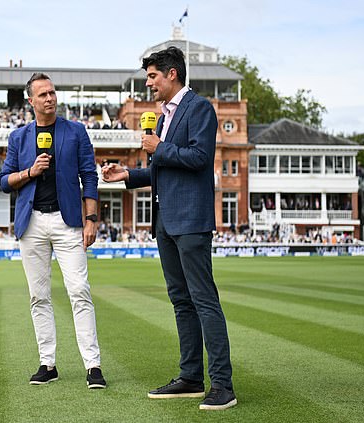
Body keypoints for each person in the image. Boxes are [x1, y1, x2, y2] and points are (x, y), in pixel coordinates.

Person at [102, 47, 236, 410]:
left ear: (172, 74)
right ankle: (191, 377)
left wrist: (159, 148)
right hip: (165, 221)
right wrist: (127, 175)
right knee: (181, 301)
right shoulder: (163, 117)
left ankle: (223, 385)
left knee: (204, 300)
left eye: (152, 77)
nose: (149, 83)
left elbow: (199, 159)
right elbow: (163, 169)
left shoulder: (200, 108)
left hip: (191, 221)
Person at [0, 73, 106, 389]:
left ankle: (93, 366)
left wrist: (92, 218)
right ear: (31, 101)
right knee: (38, 296)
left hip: (68, 221)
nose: (50, 98)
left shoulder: (76, 132)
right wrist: (30, 172)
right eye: (43, 94)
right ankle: (48, 363)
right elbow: (5, 181)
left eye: (52, 92)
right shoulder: (19, 137)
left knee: (79, 291)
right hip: (31, 223)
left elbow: (89, 176)